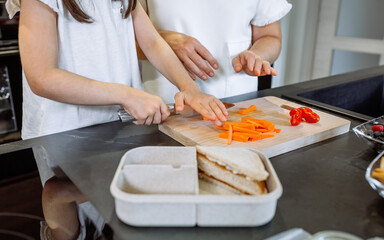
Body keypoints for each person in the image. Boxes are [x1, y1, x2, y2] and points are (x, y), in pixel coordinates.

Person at [5, 0, 228, 239]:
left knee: (117, 210)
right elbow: (42, 77)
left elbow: (152, 42)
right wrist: (126, 95)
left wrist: (189, 88)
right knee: (66, 205)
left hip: (116, 125)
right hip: (63, 130)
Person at [138, 0, 292, 104]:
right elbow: (128, 44)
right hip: (165, 102)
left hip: (237, 103)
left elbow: (270, 36)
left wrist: (257, 55)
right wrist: (166, 40)